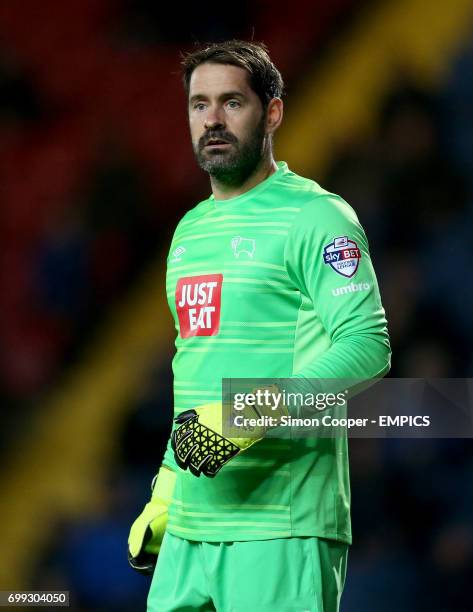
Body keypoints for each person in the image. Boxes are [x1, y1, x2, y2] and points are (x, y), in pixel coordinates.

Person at [128, 40, 391, 612]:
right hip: (192, 531)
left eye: (232, 103)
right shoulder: (190, 231)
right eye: (199, 105)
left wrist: (246, 414)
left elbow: (368, 346)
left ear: (272, 112)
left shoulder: (316, 216)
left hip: (283, 525)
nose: (213, 121)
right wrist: (168, 489)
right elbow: (194, 370)